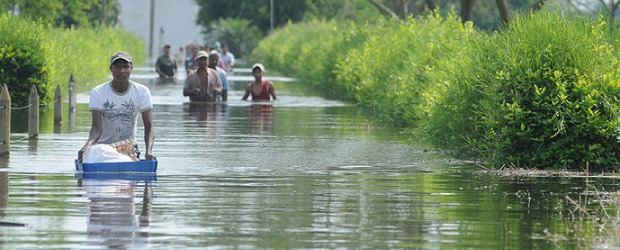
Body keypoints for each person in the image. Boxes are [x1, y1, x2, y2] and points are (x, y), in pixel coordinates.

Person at [78, 51, 156, 161]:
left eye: (125, 67)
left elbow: (149, 126)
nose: (122, 71)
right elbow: (96, 128)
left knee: (126, 161)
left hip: (128, 147)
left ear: (131, 69)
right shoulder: (98, 92)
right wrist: (87, 146)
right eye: (117, 67)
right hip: (102, 147)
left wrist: (149, 151)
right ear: (111, 69)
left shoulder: (142, 92)